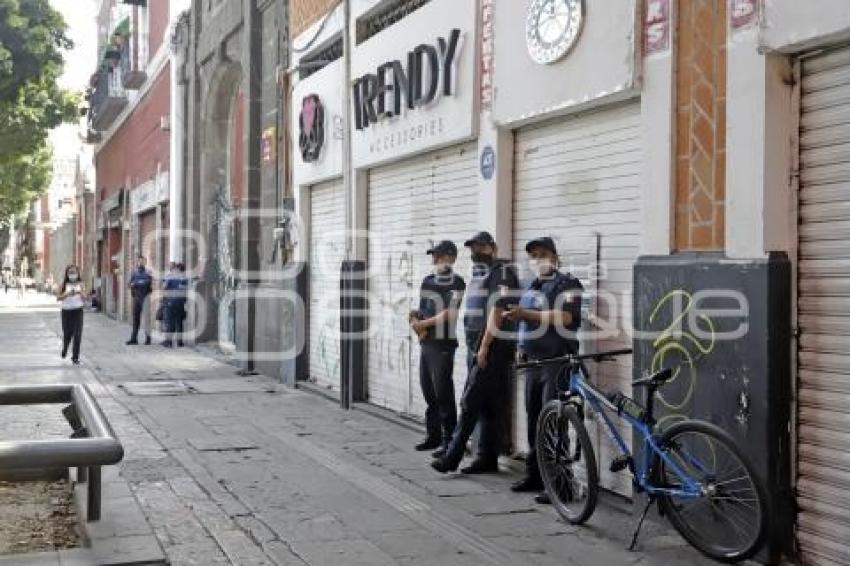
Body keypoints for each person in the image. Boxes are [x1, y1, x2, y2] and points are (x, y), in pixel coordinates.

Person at [431, 231, 520, 474]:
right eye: (472, 248)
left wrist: (484, 347)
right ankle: (486, 458)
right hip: (477, 348)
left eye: (480, 247)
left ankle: (452, 457)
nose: (475, 252)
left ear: (493, 248)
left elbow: (499, 311)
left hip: (492, 348)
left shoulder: (502, 274)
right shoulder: (480, 276)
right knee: (488, 405)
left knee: (469, 402)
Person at [504, 237, 583, 504]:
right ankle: (536, 475)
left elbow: (567, 318)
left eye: (543, 254)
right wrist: (520, 346)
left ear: (554, 256)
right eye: (533, 256)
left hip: (556, 362)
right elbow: (524, 323)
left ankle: (561, 484)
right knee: (534, 421)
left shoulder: (568, 284)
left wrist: (528, 315)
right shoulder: (532, 286)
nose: (538, 260)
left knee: (554, 423)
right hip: (533, 363)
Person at [409, 240, 465, 453]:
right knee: (428, 391)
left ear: (450, 258)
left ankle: (449, 440)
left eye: (439, 256)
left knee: (443, 393)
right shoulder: (427, 281)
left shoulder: (457, 282)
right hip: (426, 343)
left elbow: (450, 313)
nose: (434, 259)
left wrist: (423, 324)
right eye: (434, 256)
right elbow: (424, 309)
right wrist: (415, 316)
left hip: (443, 345)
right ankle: (433, 436)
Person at [57, 264, 85, 365]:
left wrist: (81, 293)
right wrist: (66, 294)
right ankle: (65, 348)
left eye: (74, 272)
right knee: (67, 334)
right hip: (66, 312)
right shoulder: (63, 284)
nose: (73, 275)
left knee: (77, 335)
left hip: (78, 311)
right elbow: (58, 297)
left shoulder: (81, 284)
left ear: (78, 274)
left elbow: (85, 297)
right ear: (67, 274)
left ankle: (75, 357)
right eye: (70, 273)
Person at [127, 256, 153, 345]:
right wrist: (135, 284)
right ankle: (134, 339)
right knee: (135, 319)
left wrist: (136, 283)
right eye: (139, 261)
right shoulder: (134, 273)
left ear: (145, 262)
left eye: (142, 261)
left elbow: (148, 283)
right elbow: (129, 284)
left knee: (147, 319)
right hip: (136, 298)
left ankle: (148, 339)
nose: (140, 263)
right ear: (137, 262)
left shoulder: (148, 272)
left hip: (145, 298)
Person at [162, 262, 188, 347]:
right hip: (181, 302)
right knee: (179, 322)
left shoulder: (171, 276)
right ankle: (180, 342)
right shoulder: (184, 278)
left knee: (170, 322)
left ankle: (168, 342)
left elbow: (164, 286)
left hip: (171, 301)